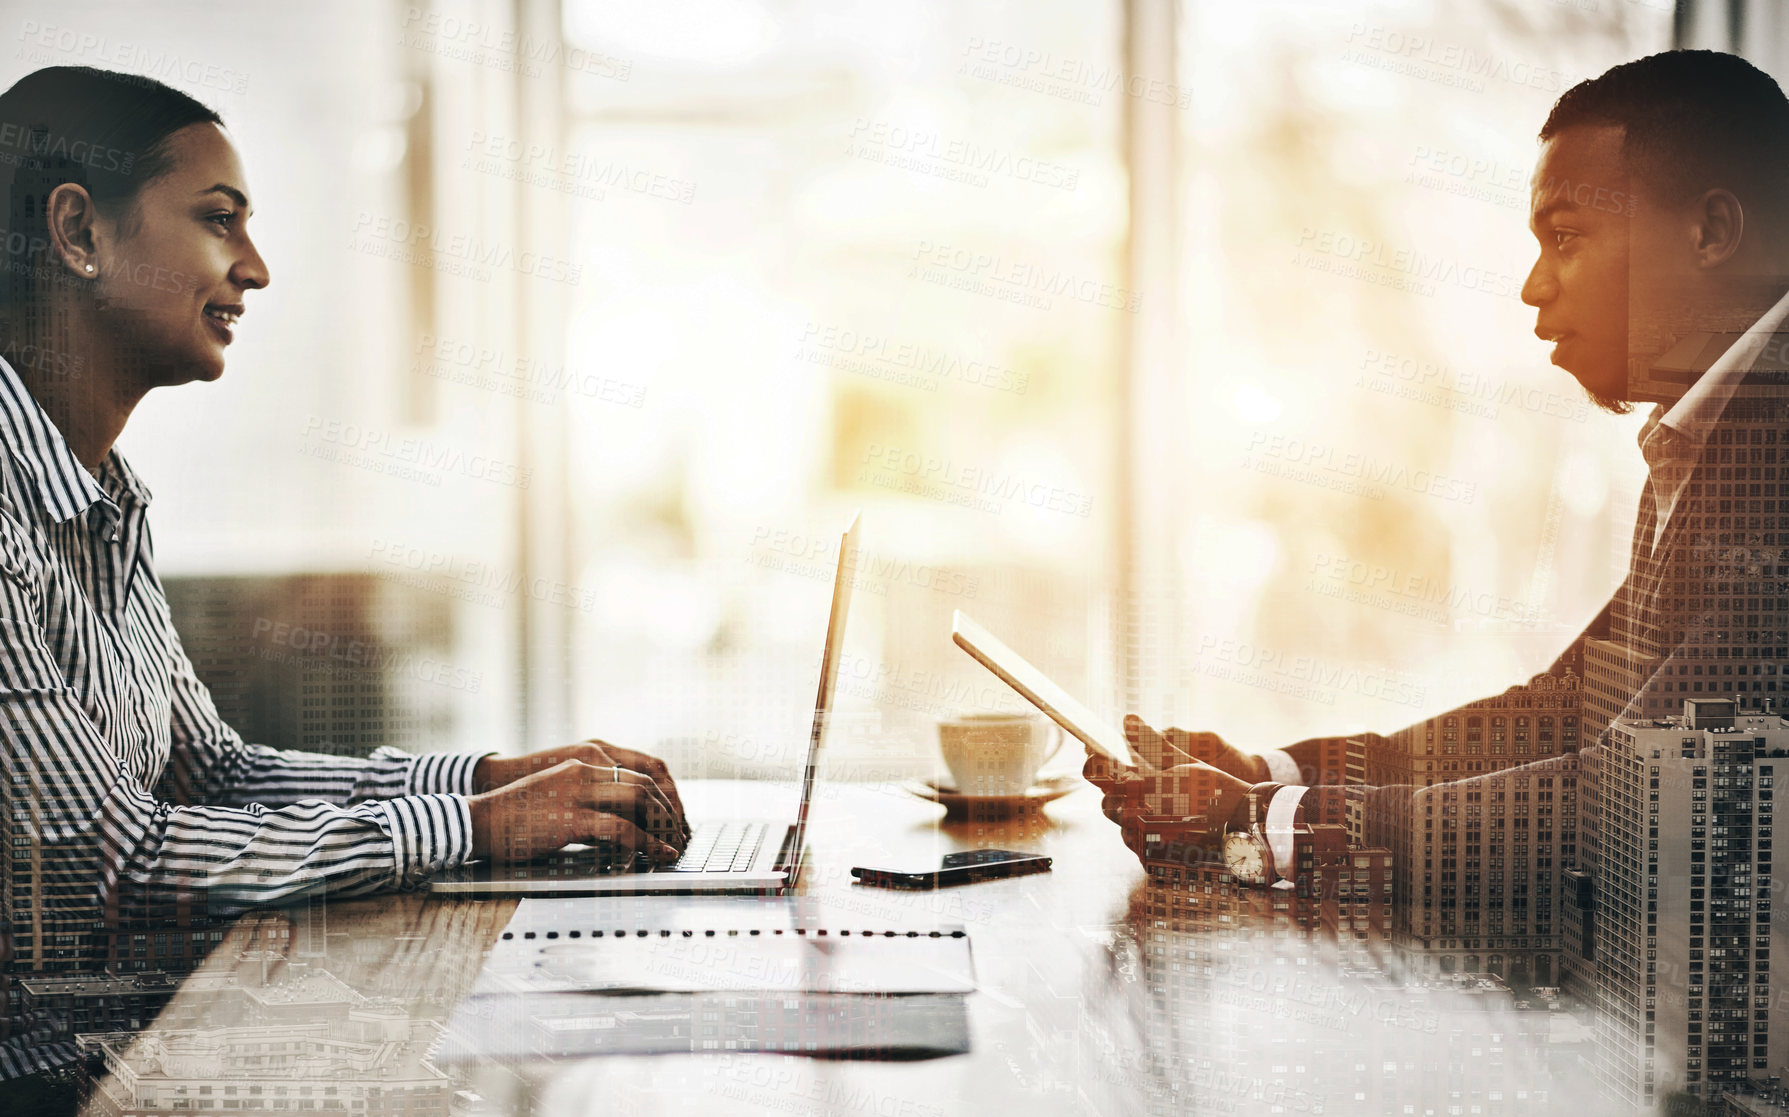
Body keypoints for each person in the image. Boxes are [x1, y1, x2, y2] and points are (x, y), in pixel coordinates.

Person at [0, 66, 690, 1088]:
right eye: (218, 220)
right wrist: (473, 827)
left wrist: (489, 781)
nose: (258, 268)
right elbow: (111, 868)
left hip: (153, 1042)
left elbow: (211, 778)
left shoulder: (105, 502)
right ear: (80, 233)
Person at [1089, 50, 1789, 891]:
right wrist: (1273, 772)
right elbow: (1563, 711)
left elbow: (1647, 796)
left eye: (1565, 237)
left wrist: (1259, 822)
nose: (1533, 287)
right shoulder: (1710, 426)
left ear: (1710, 231)